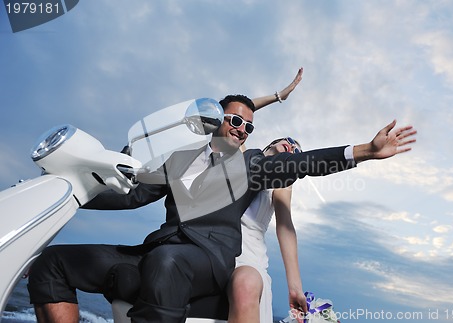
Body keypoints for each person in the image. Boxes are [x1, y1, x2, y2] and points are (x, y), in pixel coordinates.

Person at [28, 89, 416, 322]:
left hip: (206, 260)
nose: (241, 128)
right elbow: (132, 195)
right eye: (234, 120)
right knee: (53, 262)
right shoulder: (178, 160)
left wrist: (364, 151)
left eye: (249, 126)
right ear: (216, 121)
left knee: (170, 263)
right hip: (155, 249)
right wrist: (65, 194)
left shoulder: (253, 165)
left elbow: (303, 163)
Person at [228, 137, 306, 323]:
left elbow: (285, 226)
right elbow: (235, 113)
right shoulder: (243, 155)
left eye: (296, 153)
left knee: (247, 284)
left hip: (248, 256)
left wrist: (295, 286)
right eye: (290, 141)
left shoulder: (283, 181)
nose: (293, 147)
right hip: (214, 244)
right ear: (272, 142)